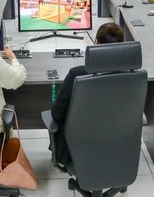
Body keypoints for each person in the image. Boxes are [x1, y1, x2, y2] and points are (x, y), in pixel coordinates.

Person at [49, 22, 124, 167]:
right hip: (118, 136)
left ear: (96, 43)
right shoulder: (132, 73)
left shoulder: (77, 74)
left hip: (79, 141)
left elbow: (57, 114)